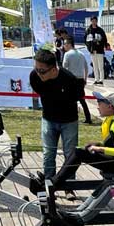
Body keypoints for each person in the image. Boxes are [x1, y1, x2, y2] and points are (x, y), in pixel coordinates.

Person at [34, 90, 114, 193]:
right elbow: (112, 144)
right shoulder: (112, 120)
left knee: (79, 153)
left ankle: (53, 184)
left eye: (99, 103)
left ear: (109, 106)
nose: (97, 107)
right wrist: (97, 145)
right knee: (80, 150)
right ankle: (53, 181)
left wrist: (99, 148)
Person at [29, 48, 79, 181]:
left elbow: (78, 96)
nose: (38, 73)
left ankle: (69, 184)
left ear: (53, 69)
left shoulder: (69, 79)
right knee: (48, 153)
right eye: (36, 69)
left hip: (69, 121)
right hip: (48, 119)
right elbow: (39, 90)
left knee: (70, 155)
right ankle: (49, 183)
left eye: (42, 71)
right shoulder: (34, 77)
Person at [61, 36, 92, 124]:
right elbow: (86, 67)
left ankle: (70, 117)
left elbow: (64, 68)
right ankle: (88, 118)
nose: (64, 46)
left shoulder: (67, 54)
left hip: (71, 80)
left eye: (65, 44)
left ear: (69, 44)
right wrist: (85, 79)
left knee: (69, 100)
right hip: (80, 80)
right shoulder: (81, 54)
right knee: (82, 100)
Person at [86, 17, 108, 85]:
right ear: (91, 21)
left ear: (97, 21)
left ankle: (101, 80)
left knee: (100, 66)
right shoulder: (88, 30)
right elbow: (86, 40)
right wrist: (89, 49)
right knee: (95, 66)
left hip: (100, 50)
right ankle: (96, 79)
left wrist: (104, 45)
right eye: (92, 21)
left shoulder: (100, 30)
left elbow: (104, 39)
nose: (94, 22)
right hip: (92, 51)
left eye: (95, 21)